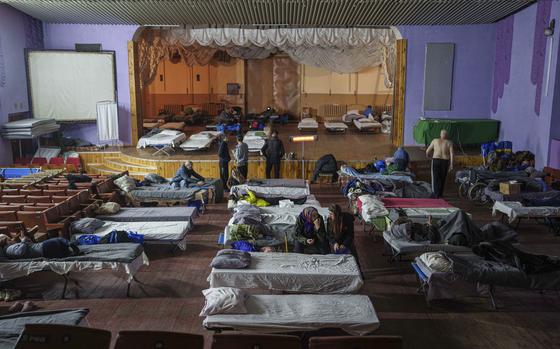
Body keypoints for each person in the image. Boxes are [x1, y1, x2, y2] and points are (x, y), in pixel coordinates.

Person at [0, 234, 80, 259]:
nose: (12, 240)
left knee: (60, 246)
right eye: (10, 239)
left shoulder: (9, 248)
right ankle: (71, 244)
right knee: (58, 240)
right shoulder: (8, 249)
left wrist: (26, 241)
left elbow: (24, 250)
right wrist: (23, 241)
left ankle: (70, 249)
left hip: (42, 250)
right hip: (42, 249)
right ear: (5, 242)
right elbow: (20, 252)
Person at [426, 129, 454, 198]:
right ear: (446, 135)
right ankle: (440, 194)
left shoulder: (435, 140)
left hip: (436, 160)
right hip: (445, 161)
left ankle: (436, 194)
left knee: (436, 178)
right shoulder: (449, 142)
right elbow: (452, 154)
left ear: (440, 134)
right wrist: (451, 164)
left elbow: (427, 151)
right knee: (442, 178)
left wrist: (428, 155)